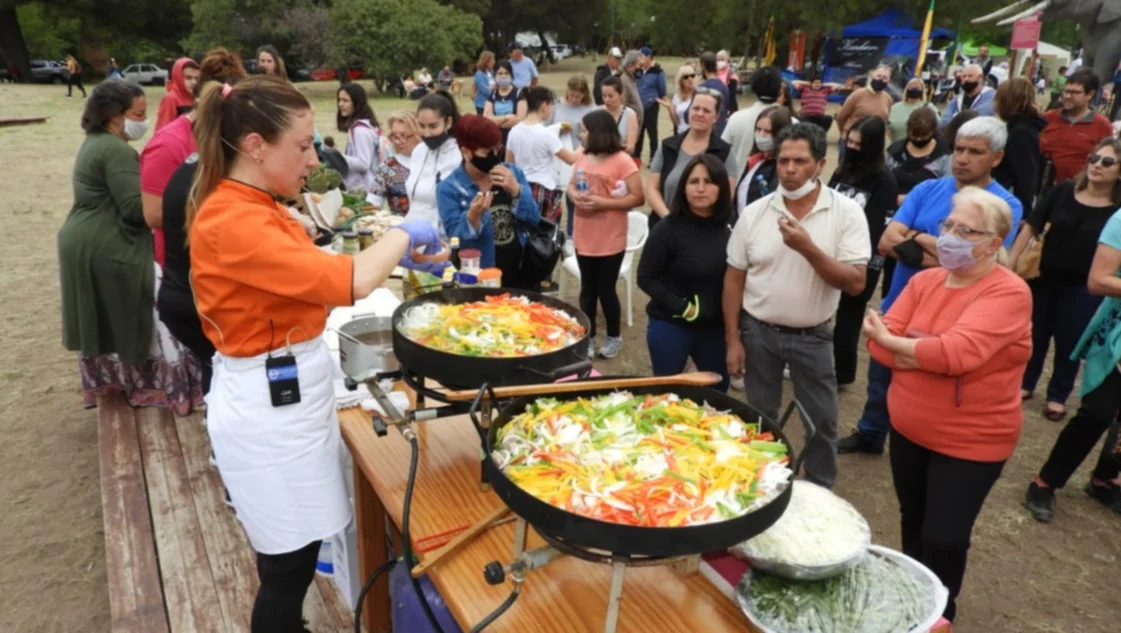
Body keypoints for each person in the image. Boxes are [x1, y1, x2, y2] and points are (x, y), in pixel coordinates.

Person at [186, 76, 440, 633]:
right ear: (255, 146)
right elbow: (349, 281)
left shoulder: (258, 203)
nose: (312, 159)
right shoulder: (233, 219)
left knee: (293, 553)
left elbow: (311, 273)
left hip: (288, 393)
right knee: (287, 566)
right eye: (301, 147)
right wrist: (404, 234)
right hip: (267, 407)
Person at [864, 186, 1030, 621]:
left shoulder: (1008, 294)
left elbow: (959, 353)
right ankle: (911, 596)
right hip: (909, 427)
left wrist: (903, 344)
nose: (951, 236)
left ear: (994, 243)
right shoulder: (924, 281)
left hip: (971, 442)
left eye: (966, 229)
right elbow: (880, 349)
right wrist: (920, 351)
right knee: (913, 520)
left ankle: (938, 615)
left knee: (945, 537)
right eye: (948, 226)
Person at [839, 116, 1023, 455]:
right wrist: (940, 250)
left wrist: (914, 242)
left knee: (931, 382)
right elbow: (886, 240)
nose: (963, 158)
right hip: (902, 304)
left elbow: (981, 264)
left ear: (996, 158)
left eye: (975, 152)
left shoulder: (1005, 207)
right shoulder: (927, 189)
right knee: (880, 376)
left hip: (955, 319)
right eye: (959, 149)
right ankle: (871, 432)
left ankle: (920, 442)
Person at [723, 123, 871, 489]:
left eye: (800, 161)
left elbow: (855, 283)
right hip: (758, 332)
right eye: (784, 160)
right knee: (760, 415)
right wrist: (733, 340)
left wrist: (806, 247)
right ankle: (764, 484)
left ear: (820, 164)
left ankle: (820, 487)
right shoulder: (756, 212)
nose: (789, 169)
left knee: (822, 420)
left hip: (814, 335)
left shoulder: (846, 213)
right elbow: (734, 277)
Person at [58, 79, 203, 413]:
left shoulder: (95, 143)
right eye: (138, 114)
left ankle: (117, 381)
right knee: (156, 299)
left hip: (85, 238)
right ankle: (161, 384)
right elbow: (137, 210)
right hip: (107, 240)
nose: (144, 121)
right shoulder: (115, 149)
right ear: (113, 117)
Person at [147, 50, 248, 395]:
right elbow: (154, 213)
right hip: (189, 279)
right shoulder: (170, 146)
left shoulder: (217, 150)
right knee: (219, 366)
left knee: (217, 367)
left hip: (210, 279)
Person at [1010, 138, 1121, 422]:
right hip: (1042, 278)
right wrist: (1011, 262)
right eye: (1094, 158)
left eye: (1107, 162)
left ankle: (1058, 395)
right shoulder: (1063, 191)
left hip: (1083, 287)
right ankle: (1025, 383)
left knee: (1069, 341)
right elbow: (1031, 226)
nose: (1097, 165)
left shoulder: (1117, 211)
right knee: (1034, 334)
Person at [1025, 205, 1121, 522]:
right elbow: (1098, 281)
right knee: (1098, 412)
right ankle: (1046, 482)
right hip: (1116, 338)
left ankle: (1105, 478)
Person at [638, 154, 733, 392]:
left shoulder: (730, 229)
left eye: (709, 181)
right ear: (683, 187)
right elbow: (646, 277)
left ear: (721, 187)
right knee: (669, 394)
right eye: (693, 182)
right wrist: (683, 308)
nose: (701, 189)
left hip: (715, 329)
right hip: (671, 325)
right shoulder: (667, 228)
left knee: (718, 391)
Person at [568, 110, 645, 359]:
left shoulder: (622, 161)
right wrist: (574, 196)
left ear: (598, 133)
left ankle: (614, 336)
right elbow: (570, 185)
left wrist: (602, 203)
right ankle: (587, 337)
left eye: (584, 130)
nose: (580, 135)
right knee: (587, 290)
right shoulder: (582, 156)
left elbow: (638, 196)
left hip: (610, 239)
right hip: (583, 235)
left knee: (606, 290)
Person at [828, 116, 898, 387]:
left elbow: (875, 227)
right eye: (850, 141)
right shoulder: (843, 170)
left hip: (863, 258)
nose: (853, 147)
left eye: (859, 143)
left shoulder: (884, 181)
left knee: (849, 316)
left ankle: (842, 372)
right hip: (832, 252)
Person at [439, 115, 541, 287]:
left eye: (497, 150)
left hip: (518, 270)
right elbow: (456, 239)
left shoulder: (512, 173)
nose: (494, 156)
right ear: (466, 152)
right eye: (487, 152)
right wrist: (472, 217)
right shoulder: (449, 188)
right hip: (479, 276)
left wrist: (516, 190)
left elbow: (534, 218)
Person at [883, 107, 952, 297]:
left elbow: (946, 190)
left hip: (924, 223)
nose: (919, 140)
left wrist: (913, 199)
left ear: (933, 132)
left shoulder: (944, 156)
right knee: (891, 268)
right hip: (894, 218)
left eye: (924, 136)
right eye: (914, 135)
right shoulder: (895, 150)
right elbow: (883, 178)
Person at [646, 90, 736, 229]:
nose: (700, 114)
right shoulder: (667, 146)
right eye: (696, 108)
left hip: (704, 231)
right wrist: (668, 218)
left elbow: (726, 197)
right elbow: (652, 188)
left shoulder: (724, 153)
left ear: (716, 117)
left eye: (706, 110)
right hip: (664, 227)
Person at [507, 86, 576, 228]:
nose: (551, 110)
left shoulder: (514, 131)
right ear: (544, 105)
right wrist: (585, 146)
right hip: (542, 189)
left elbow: (509, 163)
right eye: (551, 105)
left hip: (520, 188)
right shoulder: (546, 134)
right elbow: (570, 159)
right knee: (543, 236)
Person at [1040, 68, 1114, 185]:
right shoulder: (1047, 118)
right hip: (1043, 189)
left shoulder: (1102, 126)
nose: (1068, 96)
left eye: (1075, 92)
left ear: (1090, 94)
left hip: (1079, 190)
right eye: (1066, 91)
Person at [406, 90, 463, 232]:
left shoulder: (459, 154)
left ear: (448, 122)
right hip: (412, 231)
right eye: (421, 126)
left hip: (443, 235)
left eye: (433, 126)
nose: (426, 133)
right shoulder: (419, 150)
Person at [549, 74, 596, 237]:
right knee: (553, 200)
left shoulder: (590, 108)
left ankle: (572, 235)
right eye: (571, 94)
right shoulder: (556, 106)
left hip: (579, 158)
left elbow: (594, 132)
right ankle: (551, 235)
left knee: (573, 199)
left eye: (578, 96)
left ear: (585, 94)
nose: (574, 99)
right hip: (557, 158)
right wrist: (557, 129)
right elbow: (545, 128)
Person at [992, 77, 1046, 216]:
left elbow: (1025, 174)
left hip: (1012, 203)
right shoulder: (1022, 127)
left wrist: (1024, 211)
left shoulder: (1021, 132)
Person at [733, 105, 793, 216]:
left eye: (767, 131)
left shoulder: (782, 168)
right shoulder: (756, 160)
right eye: (758, 129)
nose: (761, 135)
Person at [722, 65, 782, 172]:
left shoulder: (736, 118)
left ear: (753, 87)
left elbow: (722, 150)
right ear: (780, 89)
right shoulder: (792, 122)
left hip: (737, 182)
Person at [337, 83, 388, 201]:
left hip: (363, 190)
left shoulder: (360, 130)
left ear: (357, 103)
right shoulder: (365, 125)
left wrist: (338, 157)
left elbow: (363, 163)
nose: (340, 104)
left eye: (345, 100)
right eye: (339, 100)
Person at [835, 65, 893, 160]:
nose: (881, 79)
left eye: (885, 78)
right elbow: (841, 117)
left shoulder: (888, 99)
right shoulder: (857, 94)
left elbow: (885, 121)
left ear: (889, 81)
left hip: (873, 145)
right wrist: (846, 133)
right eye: (879, 76)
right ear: (872, 76)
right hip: (852, 143)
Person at [372, 110, 421, 215]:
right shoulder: (386, 167)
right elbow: (372, 203)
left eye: (404, 136)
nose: (398, 141)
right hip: (400, 228)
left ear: (418, 134)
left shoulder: (432, 162)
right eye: (395, 137)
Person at [483, 61, 528, 144]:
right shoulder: (492, 95)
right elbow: (486, 119)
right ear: (495, 75)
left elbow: (519, 120)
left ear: (511, 75)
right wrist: (506, 117)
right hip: (496, 141)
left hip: (516, 140)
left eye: (506, 73)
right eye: (500, 73)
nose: (503, 76)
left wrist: (496, 121)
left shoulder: (519, 94)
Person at [634, 46, 666, 160]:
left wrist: (657, 97)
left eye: (641, 56)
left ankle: (654, 158)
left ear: (648, 57)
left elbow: (662, 89)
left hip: (651, 106)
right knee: (638, 132)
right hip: (638, 106)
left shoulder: (658, 72)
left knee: (652, 133)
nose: (640, 59)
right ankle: (636, 156)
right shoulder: (638, 71)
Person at [155, 58, 200, 132]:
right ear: (178, 76)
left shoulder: (197, 98)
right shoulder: (171, 99)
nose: (194, 82)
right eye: (188, 78)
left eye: (196, 78)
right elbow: (163, 130)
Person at [888, 78, 937, 143]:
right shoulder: (894, 107)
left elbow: (939, 126)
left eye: (917, 88)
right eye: (911, 87)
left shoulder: (928, 107)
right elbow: (887, 129)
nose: (914, 90)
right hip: (897, 148)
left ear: (923, 91)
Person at [600, 76, 639, 155]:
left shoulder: (630, 114)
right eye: (604, 96)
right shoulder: (597, 112)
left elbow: (630, 147)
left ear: (621, 95)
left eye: (611, 96)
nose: (607, 100)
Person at [698, 52, 732, 134]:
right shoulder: (724, 87)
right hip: (721, 130)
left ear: (703, 66)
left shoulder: (702, 88)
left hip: (707, 131)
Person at [619, 50, 646, 140]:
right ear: (630, 66)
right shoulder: (624, 81)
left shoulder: (632, 80)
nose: (642, 69)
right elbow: (622, 107)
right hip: (627, 134)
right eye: (640, 66)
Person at [662, 63, 696, 134]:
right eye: (686, 77)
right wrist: (669, 108)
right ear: (681, 81)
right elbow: (676, 122)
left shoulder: (699, 95)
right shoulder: (677, 97)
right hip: (681, 133)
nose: (690, 79)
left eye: (692, 76)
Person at [716, 50, 740, 114]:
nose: (720, 62)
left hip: (729, 106)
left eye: (722, 59)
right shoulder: (714, 71)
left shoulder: (731, 72)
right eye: (718, 60)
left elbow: (732, 93)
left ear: (727, 59)